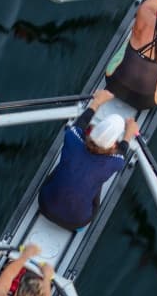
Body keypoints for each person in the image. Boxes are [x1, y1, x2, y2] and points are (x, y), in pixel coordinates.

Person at [37, 89, 138, 230]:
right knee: (96, 183)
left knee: (65, 167)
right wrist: (129, 133)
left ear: (93, 130)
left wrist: (97, 101)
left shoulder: (71, 137)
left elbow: (81, 122)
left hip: (43, 205)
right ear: (114, 144)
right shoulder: (116, 163)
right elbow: (122, 151)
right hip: (77, 222)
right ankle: (80, 227)